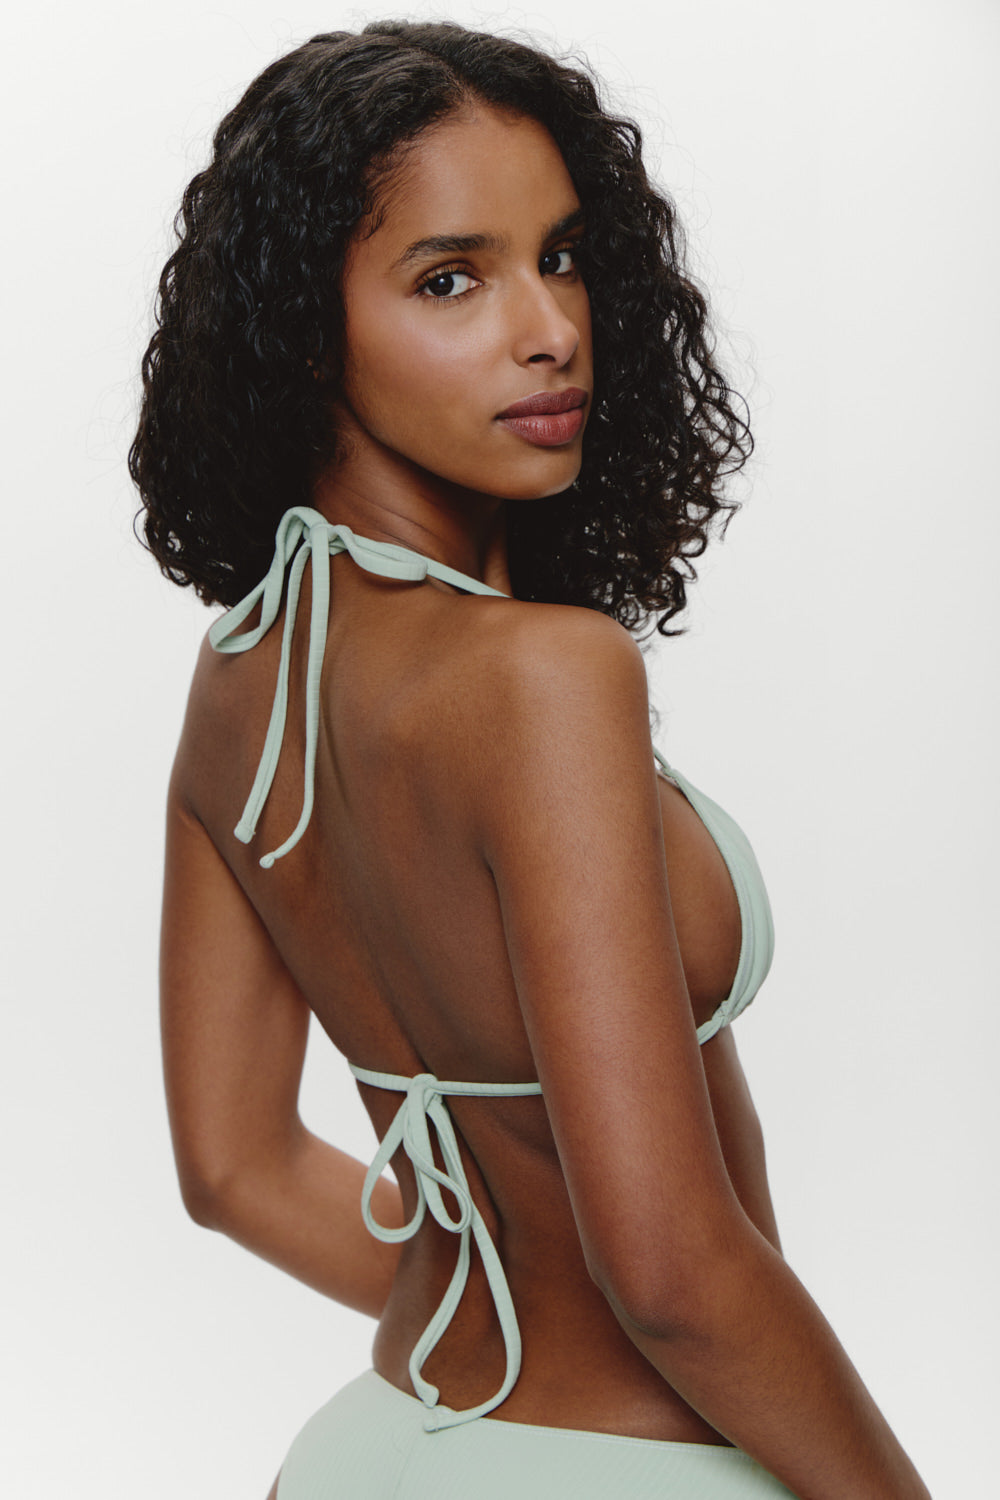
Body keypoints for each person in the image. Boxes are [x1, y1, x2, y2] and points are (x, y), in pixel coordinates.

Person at [130, 19, 931, 1499]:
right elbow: (673, 1273)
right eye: (452, 278)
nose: (550, 326)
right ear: (305, 331)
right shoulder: (549, 678)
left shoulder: (247, 676)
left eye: (560, 257)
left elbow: (232, 1169)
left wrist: (483, 1323)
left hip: (370, 1449)